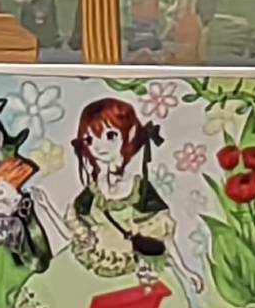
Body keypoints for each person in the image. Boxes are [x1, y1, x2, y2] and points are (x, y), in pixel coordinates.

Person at [68, 95, 175, 280]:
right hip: (94, 265)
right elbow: (76, 227)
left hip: (132, 270)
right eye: (90, 140)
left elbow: (165, 237)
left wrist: (184, 271)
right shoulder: (93, 191)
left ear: (130, 133)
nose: (99, 147)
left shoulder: (139, 189)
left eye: (110, 136)